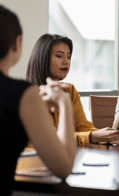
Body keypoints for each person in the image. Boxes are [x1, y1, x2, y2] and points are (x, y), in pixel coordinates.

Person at [0, 5, 76, 195]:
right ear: (17, 45)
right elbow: (63, 168)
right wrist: (64, 103)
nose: (65, 61)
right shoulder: (23, 94)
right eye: (59, 56)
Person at [26, 33, 119, 146]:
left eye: (69, 56)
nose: (66, 61)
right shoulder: (29, 95)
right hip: (33, 160)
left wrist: (110, 137)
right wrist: (93, 137)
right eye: (59, 56)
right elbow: (51, 139)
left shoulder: (69, 90)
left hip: (64, 157)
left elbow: (84, 126)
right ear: (42, 58)